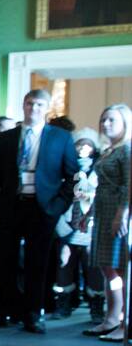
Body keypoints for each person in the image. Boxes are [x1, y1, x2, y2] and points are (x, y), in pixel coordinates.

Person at [0, 90, 79, 333]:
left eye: (39, 104)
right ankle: (1, 311)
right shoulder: (6, 138)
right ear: (23, 105)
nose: (33, 108)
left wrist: (57, 207)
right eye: (29, 103)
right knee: (4, 262)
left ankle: (33, 314)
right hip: (10, 206)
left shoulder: (61, 137)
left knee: (38, 263)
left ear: (46, 107)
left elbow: (72, 177)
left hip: (43, 208)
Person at [84, 105, 132, 341]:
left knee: (122, 270)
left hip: (118, 213)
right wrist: (88, 213)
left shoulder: (128, 149)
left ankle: (125, 324)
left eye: (112, 120)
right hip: (103, 211)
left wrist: (121, 214)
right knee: (108, 268)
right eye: (103, 120)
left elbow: (128, 185)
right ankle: (111, 318)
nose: (106, 124)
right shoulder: (109, 151)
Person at [56, 131, 99, 320]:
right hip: (68, 222)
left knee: (92, 265)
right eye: (80, 145)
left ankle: (96, 303)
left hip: (91, 225)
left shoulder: (99, 168)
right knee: (65, 262)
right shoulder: (67, 167)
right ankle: (64, 301)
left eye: (88, 145)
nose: (83, 148)